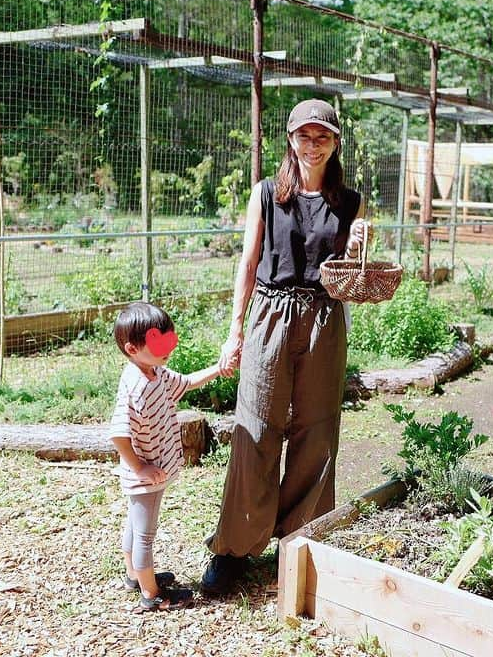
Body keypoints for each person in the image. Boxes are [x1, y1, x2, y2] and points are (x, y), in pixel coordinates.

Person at [200, 98, 367, 595]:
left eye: (323, 137)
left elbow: (353, 275)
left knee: (317, 431)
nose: (313, 145)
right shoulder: (267, 193)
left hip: (323, 318)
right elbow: (248, 264)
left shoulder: (350, 201)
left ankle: (301, 542)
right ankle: (234, 548)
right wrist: (235, 330)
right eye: (304, 136)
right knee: (255, 427)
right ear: (289, 140)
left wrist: (358, 249)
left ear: (335, 143)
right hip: (270, 314)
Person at [108, 301, 230, 612]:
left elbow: (186, 382)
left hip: (153, 470)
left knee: (135, 528)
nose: (167, 348)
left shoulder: (155, 372)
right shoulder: (137, 386)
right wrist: (140, 468)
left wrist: (219, 368)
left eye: (168, 339)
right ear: (132, 348)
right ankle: (152, 596)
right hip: (146, 476)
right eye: (157, 342)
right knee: (144, 536)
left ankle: (135, 576)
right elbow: (118, 433)